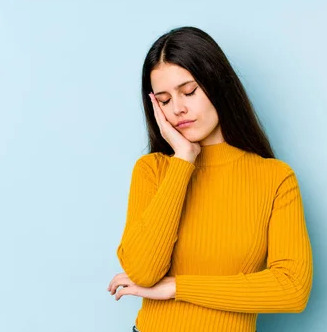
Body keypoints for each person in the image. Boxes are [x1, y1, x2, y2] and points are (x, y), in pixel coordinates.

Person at [106, 26, 313, 332]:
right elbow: (143, 271)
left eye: (189, 91)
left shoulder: (275, 178)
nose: (179, 109)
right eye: (164, 100)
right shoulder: (153, 170)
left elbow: (292, 288)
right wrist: (184, 159)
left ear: (217, 85)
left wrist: (178, 288)